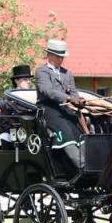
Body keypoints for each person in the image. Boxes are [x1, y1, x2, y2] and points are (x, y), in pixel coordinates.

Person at [35, 39, 86, 169]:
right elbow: (48, 91)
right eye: (59, 56)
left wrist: (78, 100)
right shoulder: (41, 72)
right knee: (66, 133)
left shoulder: (67, 73)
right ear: (50, 55)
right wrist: (69, 98)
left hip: (65, 109)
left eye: (62, 56)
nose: (61, 59)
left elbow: (73, 92)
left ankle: (88, 161)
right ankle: (81, 165)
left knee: (79, 131)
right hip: (48, 108)